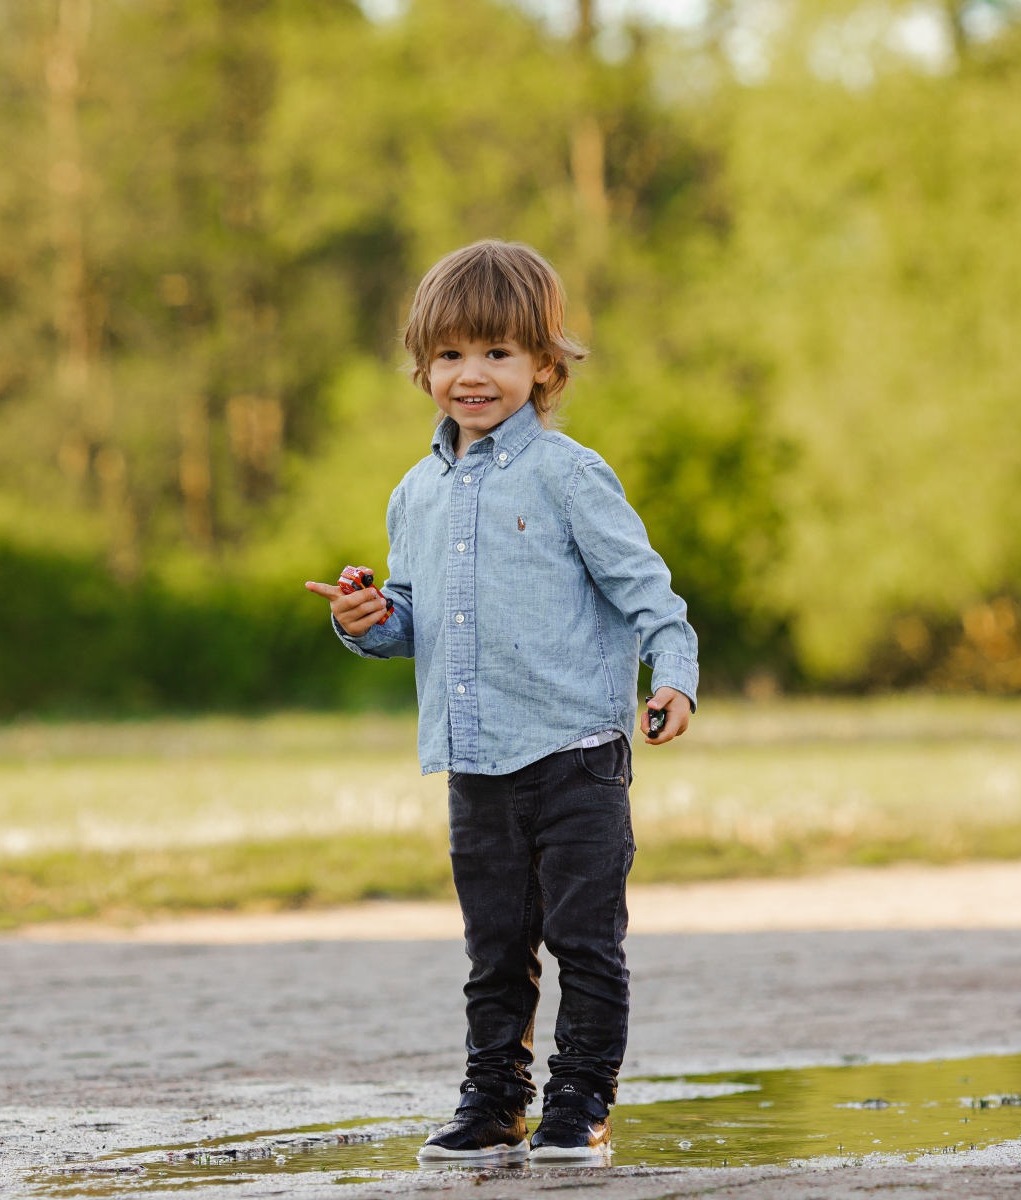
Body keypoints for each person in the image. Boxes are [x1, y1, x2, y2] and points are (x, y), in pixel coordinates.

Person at [304, 240, 699, 1165]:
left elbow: (649, 592)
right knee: (495, 952)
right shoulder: (416, 493)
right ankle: (493, 1102)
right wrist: (369, 618)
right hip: (475, 763)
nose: (470, 376)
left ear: (545, 367)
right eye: (449, 356)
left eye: (496, 354)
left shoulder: (568, 474)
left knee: (583, 942)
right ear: (422, 368)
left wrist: (672, 674)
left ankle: (580, 1103)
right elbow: (415, 617)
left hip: (576, 753)